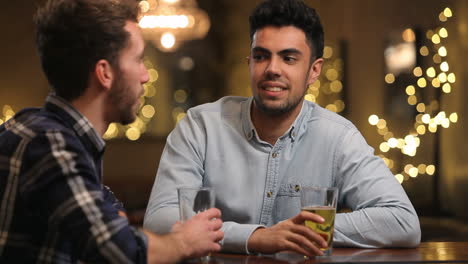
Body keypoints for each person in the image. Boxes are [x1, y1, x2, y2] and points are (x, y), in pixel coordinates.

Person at [144, 0, 422, 257]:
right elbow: (159, 221)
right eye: (262, 56)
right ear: (250, 63)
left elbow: (402, 221)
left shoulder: (338, 137)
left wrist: (300, 232)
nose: (272, 69)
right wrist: (255, 237)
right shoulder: (200, 126)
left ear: (314, 71)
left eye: (289, 58)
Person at [0, 0, 224, 263]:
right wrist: (184, 241)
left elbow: (116, 226)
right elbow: (117, 250)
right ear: (105, 73)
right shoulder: (49, 142)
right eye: (139, 59)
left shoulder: (51, 134)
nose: (145, 75)